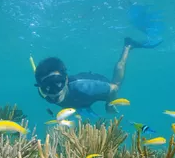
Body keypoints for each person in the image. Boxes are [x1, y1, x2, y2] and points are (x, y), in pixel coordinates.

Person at [34, 37, 162, 116]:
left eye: (57, 83)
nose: (54, 92)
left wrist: (109, 104)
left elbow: (113, 89)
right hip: (81, 101)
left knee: (117, 84)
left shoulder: (84, 88)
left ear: (66, 79)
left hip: (97, 84)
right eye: (46, 87)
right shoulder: (44, 93)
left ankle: (128, 46)